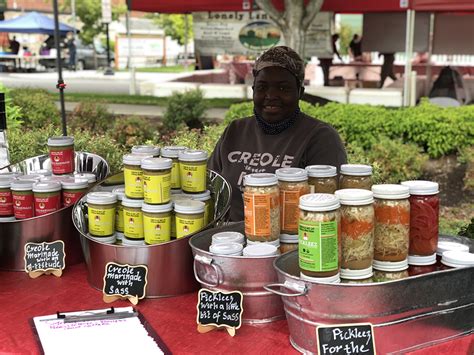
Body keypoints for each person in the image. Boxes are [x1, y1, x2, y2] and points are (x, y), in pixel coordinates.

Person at [208, 46, 347, 221]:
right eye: (262, 87)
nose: (271, 95)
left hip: (295, 244)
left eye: (283, 88)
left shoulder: (321, 138)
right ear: (253, 91)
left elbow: (327, 212)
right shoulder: (236, 131)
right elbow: (210, 189)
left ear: (300, 93)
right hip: (230, 243)